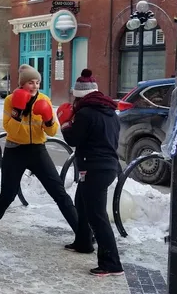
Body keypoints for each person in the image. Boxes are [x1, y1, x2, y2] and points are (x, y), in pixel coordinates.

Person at [0, 64, 78, 234]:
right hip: (15, 150)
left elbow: (51, 131)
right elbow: (10, 129)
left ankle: (82, 232)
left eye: (37, 82)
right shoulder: (10, 100)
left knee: (59, 192)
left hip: (37, 150)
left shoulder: (44, 99)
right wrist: (18, 111)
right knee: (8, 193)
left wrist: (48, 118)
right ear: (22, 83)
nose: (35, 86)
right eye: (31, 82)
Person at [58, 69, 124, 277]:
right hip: (107, 166)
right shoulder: (110, 112)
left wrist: (65, 124)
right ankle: (83, 242)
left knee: (97, 216)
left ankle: (112, 263)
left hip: (94, 168)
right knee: (82, 203)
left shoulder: (85, 113)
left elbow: (73, 140)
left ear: (79, 96)